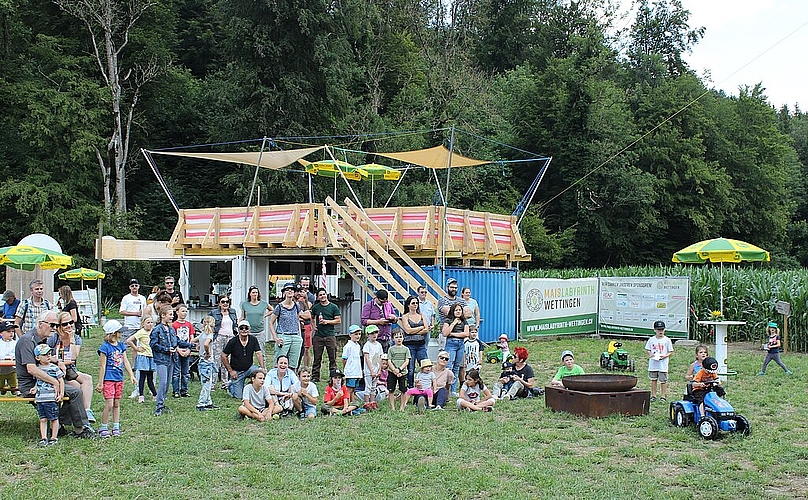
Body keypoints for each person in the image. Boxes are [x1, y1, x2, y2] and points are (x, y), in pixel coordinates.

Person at [16, 310, 95, 438]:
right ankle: (80, 429)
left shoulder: (43, 339)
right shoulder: (27, 340)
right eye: (52, 325)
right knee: (75, 392)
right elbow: (31, 369)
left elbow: (48, 356)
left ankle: (59, 423)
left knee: (76, 388)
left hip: (44, 381)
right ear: (41, 324)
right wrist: (54, 382)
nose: (55, 328)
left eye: (56, 326)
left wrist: (59, 362)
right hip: (31, 385)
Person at [48, 311, 96, 423]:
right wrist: (60, 362)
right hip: (55, 372)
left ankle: (86, 411)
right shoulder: (53, 338)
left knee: (87, 379)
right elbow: (47, 357)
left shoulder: (76, 338)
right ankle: (72, 417)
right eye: (65, 324)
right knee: (76, 387)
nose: (69, 326)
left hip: (70, 371)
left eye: (71, 322)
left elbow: (74, 357)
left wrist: (72, 339)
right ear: (59, 326)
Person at [150, 306, 194, 416]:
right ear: (162, 316)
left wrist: (191, 345)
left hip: (171, 359)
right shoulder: (157, 330)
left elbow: (177, 341)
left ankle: (163, 402)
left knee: (167, 383)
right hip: (161, 359)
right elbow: (153, 344)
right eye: (170, 314)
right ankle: (159, 406)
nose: (172, 316)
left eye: (172, 314)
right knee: (163, 382)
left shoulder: (171, 329)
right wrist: (165, 349)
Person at [96, 320, 137, 438]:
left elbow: (125, 361)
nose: (122, 334)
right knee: (109, 404)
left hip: (119, 378)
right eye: (120, 332)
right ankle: (103, 427)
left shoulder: (121, 346)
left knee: (116, 403)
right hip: (109, 379)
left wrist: (131, 375)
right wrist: (100, 382)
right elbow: (102, 366)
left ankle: (116, 426)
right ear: (113, 333)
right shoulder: (105, 347)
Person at [222, 320, 266, 399]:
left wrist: (262, 368)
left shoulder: (253, 339)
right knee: (239, 397)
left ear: (249, 329)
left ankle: (252, 388)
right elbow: (223, 356)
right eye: (241, 328)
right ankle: (230, 385)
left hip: (249, 368)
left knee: (259, 373)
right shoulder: (233, 341)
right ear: (238, 330)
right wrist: (231, 371)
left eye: (246, 328)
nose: (244, 330)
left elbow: (259, 353)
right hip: (237, 371)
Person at [269, 283, 308, 370]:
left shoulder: (296, 305)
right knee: (279, 363)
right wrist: (276, 338)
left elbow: (297, 319)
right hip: (283, 336)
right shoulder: (279, 306)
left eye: (292, 289)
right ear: (284, 292)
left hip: (295, 336)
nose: (290, 291)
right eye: (287, 289)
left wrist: (299, 336)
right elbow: (271, 322)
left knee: (293, 364)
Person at [33, 344, 63, 447]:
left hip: (51, 398)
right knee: (43, 419)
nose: (48, 356)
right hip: (40, 398)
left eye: (49, 354)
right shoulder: (37, 369)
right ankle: (43, 437)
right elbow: (38, 380)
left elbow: (60, 381)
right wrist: (35, 388)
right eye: (45, 355)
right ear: (38, 357)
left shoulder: (54, 368)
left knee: (54, 418)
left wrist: (61, 393)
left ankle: (54, 437)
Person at [310, 288, 341, 382]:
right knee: (317, 357)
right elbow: (311, 316)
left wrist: (327, 322)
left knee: (332, 357)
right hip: (318, 335)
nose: (322, 296)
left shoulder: (333, 307)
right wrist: (313, 325)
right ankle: (315, 376)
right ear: (318, 297)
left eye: (324, 294)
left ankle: (333, 377)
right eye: (320, 295)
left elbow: (338, 320)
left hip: (330, 335)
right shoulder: (316, 307)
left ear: (326, 295)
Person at [399, 295, 429, 388]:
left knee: (425, 365)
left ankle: (426, 385)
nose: (415, 305)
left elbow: (426, 329)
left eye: (417, 303)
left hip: (421, 344)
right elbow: (407, 331)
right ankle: (410, 387)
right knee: (411, 368)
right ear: (408, 305)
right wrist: (420, 328)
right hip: (409, 345)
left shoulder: (421, 315)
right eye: (413, 303)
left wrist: (414, 329)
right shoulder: (405, 316)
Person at [126, 316, 157, 404]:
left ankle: (155, 394)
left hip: (152, 356)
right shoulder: (141, 332)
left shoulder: (154, 332)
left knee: (150, 378)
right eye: (148, 322)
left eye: (152, 322)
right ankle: (141, 395)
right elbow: (129, 340)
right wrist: (136, 348)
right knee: (142, 377)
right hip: (143, 357)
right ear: (143, 324)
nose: (150, 324)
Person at [208, 295, 237, 389]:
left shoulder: (232, 312)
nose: (225, 304)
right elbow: (205, 322)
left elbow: (235, 324)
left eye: (227, 302)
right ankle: (212, 383)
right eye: (223, 302)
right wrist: (210, 332)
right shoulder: (214, 312)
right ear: (219, 303)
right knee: (216, 360)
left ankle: (225, 383)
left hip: (230, 337)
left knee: (227, 360)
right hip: (219, 337)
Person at [442, 303, 469, 395]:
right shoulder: (448, 320)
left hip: (460, 344)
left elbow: (466, 334)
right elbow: (445, 333)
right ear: (452, 311)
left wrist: (453, 334)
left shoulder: (464, 321)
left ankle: (453, 390)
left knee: (457, 367)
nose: (458, 312)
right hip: (451, 344)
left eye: (460, 310)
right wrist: (453, 323)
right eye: (456, 310)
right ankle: (446, 390)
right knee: (449, 366)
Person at [436, 278, 469, 350]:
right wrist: (461, 313)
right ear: (447, 288)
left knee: (459, 360)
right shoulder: (442, 301)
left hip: (460, 335)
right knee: (444, 358)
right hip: (446, 335)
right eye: (452, 287)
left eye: (456, 288)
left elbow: (469, 313)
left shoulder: (462, 300)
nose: (454, 289)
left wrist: (457, 314)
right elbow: (449, 313)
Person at [645, 320, 674, 402]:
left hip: (663, 364)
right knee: (653, 379)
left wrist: (664, 356)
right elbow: (648, 349)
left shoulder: (667, 340)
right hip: (653, 363)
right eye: (658, 330)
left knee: (663, 381)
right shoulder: (651, 339)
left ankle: (663, 396)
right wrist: (650, 354)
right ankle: (653, 395)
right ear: (655, 330)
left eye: (662, 329)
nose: (660, 331)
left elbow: (670, 351)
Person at [171, 304, 195, 398]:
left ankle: (184, 390)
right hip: (178, 350)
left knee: (185, 372)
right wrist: (178, 349)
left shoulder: (189, 324)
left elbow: (191, 337)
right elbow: (173, 340)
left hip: (187, 350)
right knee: (176, 372)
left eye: (186, 311)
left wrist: (189, 349)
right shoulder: (174, 325)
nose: (184, 313)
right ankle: (175, 391)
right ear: (177, 312)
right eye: (182, 311)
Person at [195, 316, 218, 411]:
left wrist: (198, 346)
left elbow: (193, 340)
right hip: (207, 361)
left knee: (206, 381)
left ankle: (208, 402)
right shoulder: (209, 335)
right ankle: (201, 403)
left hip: (201, 361)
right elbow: (206, 344)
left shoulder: (202, 334)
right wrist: (207, 352)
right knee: (207, 384)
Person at [241, 285, 271, 351]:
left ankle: (262, 362)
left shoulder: (263, 303)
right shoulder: (245, 304)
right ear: (250, 294)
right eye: (253, 292)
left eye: (256, 292)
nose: (255, 294)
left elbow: (272, 310)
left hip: (260, 331)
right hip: (249, 331)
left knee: (261, 351)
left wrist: (265, 315)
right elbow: (243, 316)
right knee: (248, 351)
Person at [386, 330, 410, 410]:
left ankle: (402, 407)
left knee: (403, 390)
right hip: (392, 372)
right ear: (393, 339)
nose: (399, 339)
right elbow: (389, 360)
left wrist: (399, 369)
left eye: (400, 337)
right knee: (391, 390)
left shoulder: (406, 349)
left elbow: (407, 360)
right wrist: (394, 370)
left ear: (403, 338)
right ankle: (392, 407)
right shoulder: (391, 349)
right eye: (396, 337)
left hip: (403, 372)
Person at [362, 324, 383, 410]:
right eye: (372, 333)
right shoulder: (367, 345)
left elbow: (380, 358)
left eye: (376, 333)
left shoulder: (379, 345)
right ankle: (366, 403)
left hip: (376, 369)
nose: (374, 335)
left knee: (374, 387)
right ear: (368, 335)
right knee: (368, 387)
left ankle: (372, 402)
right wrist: (371, 371)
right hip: (369, 371)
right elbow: (367, 358)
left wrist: (379, 370)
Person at [342, 324, 363, 406]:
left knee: (354, 389)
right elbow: (344, 359)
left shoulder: (358, 346)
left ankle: (353, 405)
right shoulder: (348, 346)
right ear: (350, 335)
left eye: (359, 334)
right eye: (355, 334)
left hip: (357, 371)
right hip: (350, 372)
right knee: (349, 389)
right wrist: (346, 369)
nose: (358, 336)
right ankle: (347, 404)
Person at [295, 285, 313, 371]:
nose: (299, 293)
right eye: (297, 291)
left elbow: (309, 315)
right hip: (295, 330)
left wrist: (299, 316)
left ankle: (305, 368)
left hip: (305, 327)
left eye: (301, 291)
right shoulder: (290, 303)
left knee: (305, 349)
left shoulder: (303, 303)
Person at [1, 321, 19, 395]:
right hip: (0, 371)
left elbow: (17, 355)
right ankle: (2, 389)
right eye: (8, 331)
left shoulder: (16, 343)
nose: (11, 333)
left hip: (12, 370)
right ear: (1, 333)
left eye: (13, 331)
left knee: (13, 384)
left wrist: (12, 357)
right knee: (1, 385)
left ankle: (14, 389)